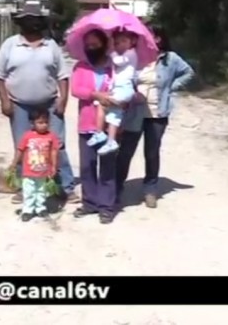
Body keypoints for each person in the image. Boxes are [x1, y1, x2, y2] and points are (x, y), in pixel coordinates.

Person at [0, 3, 78, 205]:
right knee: (24, 146)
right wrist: (4, 100)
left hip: (49, 104)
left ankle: (65, 187)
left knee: (57, 145)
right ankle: (25, 187)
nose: (32, 23)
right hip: (19, 105)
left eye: (35, 19)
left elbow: (63, 75)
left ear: (41, 22)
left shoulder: (51, 45)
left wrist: (63, 99)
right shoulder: (10, 45)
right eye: (27, 19)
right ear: (21, 22)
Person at [116, 25, 194, 209]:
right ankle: (116, 187)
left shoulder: (170, 58)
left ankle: (150, 189)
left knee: (152, 153)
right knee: (125, 151)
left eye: (149, 35)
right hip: (134, 111)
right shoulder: (134, 56)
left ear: (158, 38)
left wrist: (170, 88)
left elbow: (188, 72)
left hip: (158, 113)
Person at [70, 29, 121, 223]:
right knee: (87, 166)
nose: (91, 48)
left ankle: (106, 207)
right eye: (88, 45)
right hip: (86, 124)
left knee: (107, 167)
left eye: (95, 44)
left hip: (109, 126)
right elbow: (76, 90)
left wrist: (115, 98)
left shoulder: (115, 67)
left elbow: (126, 88)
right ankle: (89, 203)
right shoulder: (80, 66)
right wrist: (95, 94)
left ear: (104, 44)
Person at [86, 29, 139, 155]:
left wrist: (112, 51)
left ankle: (100, 133)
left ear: (132, 42)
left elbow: (117, 61)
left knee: (102, 104)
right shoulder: (124, 55)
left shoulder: (131, 53)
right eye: (117, 43)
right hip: (119, 88)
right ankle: (110, 140)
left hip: (124, 88)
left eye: (124, 41)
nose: (120, 44)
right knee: (113, 115)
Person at [10, 109, 59, 222]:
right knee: (29, 191)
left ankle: (40, 208)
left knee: (42, 191)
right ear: (32, 123)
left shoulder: (51, 136)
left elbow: (54, 152)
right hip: (29, 172)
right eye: (40, 123)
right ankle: (28, 210)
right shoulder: (27, 136)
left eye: (46, 122)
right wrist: (14, 163)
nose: (43, 125)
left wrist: (54, 166)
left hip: (43, 171)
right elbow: (20, 150)